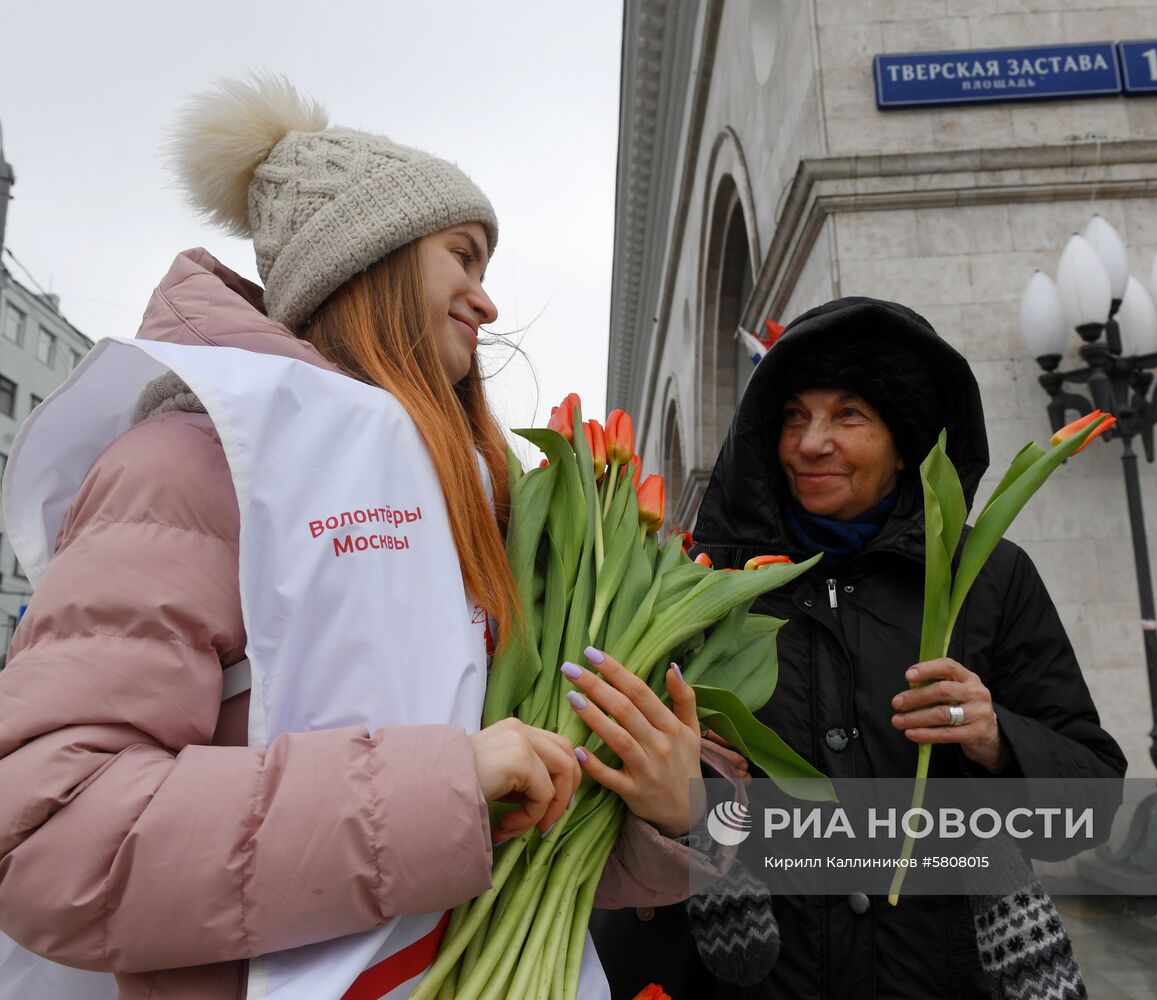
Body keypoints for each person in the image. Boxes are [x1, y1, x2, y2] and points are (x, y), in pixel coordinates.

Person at [0, 75, 729, 1000]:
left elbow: (522, 833)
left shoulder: (476, 502)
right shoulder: (187, 469)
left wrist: (676, 817)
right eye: (463, 257)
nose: (486, 301)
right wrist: (445, 789)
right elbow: (48, 841)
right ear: (367, 263)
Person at [592, 297, 1127, 999]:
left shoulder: (989, 578)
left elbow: (1089, 797)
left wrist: (997, 738)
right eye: (793, 416)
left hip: (944, 978)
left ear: (904, 443)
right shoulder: (703, 587)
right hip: (752, 978)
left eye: (849, 416)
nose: (811, 443)